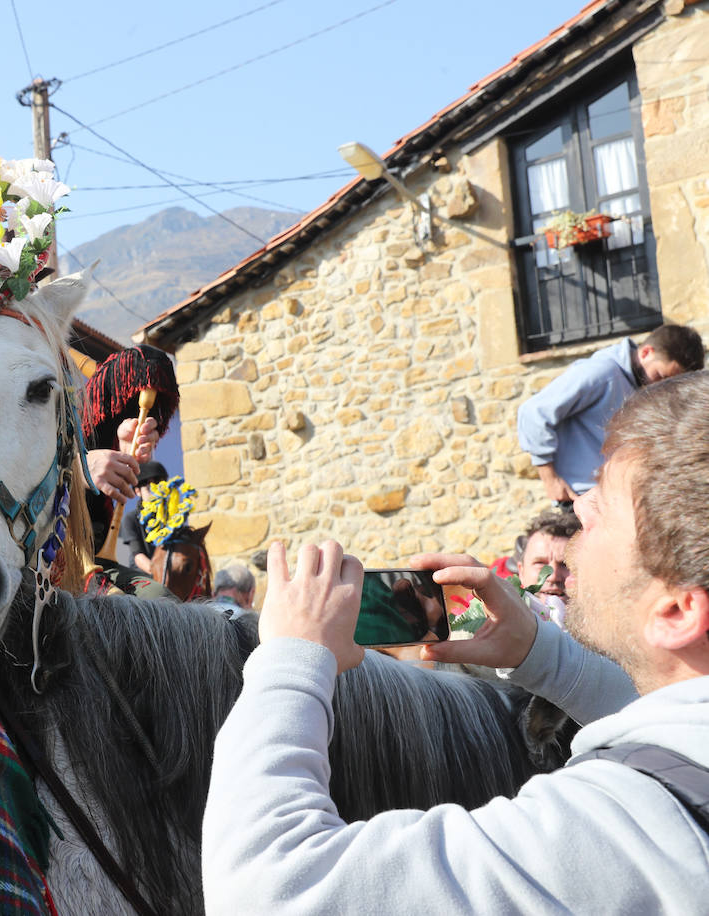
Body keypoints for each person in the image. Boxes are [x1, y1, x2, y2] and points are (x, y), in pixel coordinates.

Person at [202, 370, 709, 914]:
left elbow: (269, 889)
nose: (577, 508)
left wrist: (291, 655)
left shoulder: (629, 831)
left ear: (678, 612)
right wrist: (543, 657)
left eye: (602, 508)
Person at [517, 323, 702, 504]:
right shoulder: (601, 373)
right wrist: (550, 479)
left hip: (613, 499)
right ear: (646, 352)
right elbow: (533, 413)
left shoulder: (638, 385)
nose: (661, 386)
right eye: (661, 376)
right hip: (580, 499)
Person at [119, 460, 167, 572]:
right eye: (149, 489)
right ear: (138, 491)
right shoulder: (131, 518)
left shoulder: (171, 516)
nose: (155, 493)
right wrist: (160, 575)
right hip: (143, 575)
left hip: (171, 575)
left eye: (159, 487)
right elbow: (138, 557)